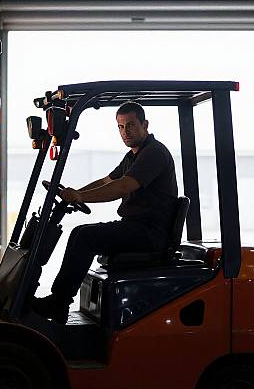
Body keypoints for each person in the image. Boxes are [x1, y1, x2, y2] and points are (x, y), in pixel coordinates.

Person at [32, 101, 178, 324]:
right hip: (137, 227)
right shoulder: (134, 155)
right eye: (120, 127)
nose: (125, 132)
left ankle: (58, 303)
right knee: (80, 232)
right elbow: (107, 180)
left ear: (144, 124)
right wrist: (74, 193)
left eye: (130, 125)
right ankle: (58, 300)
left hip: (149, 232)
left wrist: (80, 197)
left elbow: (122, 187)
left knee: (85, 236)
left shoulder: (154, 153)